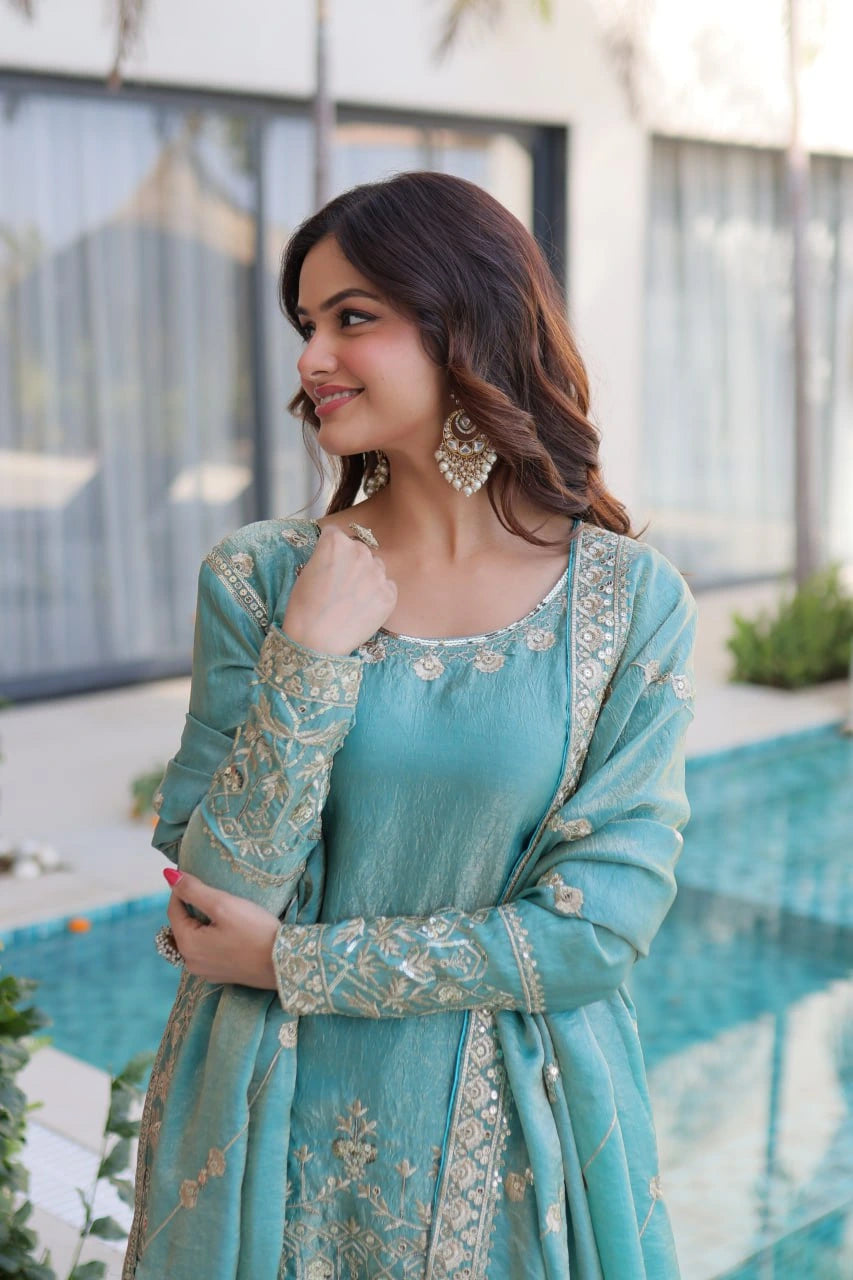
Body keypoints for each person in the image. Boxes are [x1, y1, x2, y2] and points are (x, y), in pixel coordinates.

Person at [124, 171, 696, 1280]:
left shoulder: (626, 602)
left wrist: (293, 959)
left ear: (464, 324)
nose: (310, 359)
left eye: (353, 318)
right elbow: (214, 898)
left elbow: (597, 931)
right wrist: (311, 658)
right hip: (265, 1125)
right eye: (306, 323)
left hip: (521, 1144)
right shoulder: (262, 577)